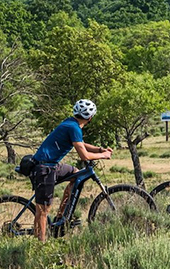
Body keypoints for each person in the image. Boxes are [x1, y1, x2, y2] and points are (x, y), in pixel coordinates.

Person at [32, 99, 113, 242]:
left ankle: (60, 217)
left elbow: (80, 143)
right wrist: (103, 155)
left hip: (52, 165)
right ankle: (40, 244)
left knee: (76, 175)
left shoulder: (72, 123)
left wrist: (100, 149)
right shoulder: (73, 127)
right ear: (90, 117)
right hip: (45, 168)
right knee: (43, 210)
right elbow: (84, 155)